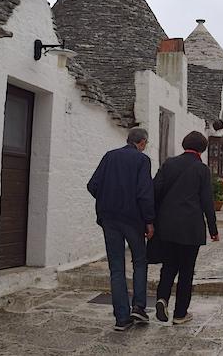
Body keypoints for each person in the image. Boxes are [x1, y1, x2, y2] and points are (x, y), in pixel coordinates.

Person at [87, 127, 154, 331]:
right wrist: (149, 220)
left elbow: (93, 185)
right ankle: (139, 307)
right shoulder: (142, 160)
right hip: (132, 219)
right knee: (139, 262)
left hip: (109, 218)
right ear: (141, 142)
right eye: (145, 143)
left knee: (116, 267)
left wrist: (108, 199)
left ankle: (121, 318)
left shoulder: (109, 156)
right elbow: (144, 192)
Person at [153, 131, 220, 325]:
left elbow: (155, 190)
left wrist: (152, 219)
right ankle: (180, 313)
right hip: (190, 227)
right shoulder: (201, 169)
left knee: (168, 266)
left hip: (166, 225)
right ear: (202, 148)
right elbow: (207, 201)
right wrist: (213, 229)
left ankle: (162, 298)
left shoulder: (168, 163)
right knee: (186, 270)